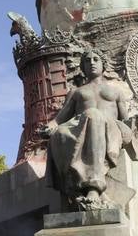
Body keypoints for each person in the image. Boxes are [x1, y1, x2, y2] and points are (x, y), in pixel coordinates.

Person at [42, 49, 132, 210]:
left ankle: (94, 187)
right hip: (82, 126)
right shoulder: (76, 92)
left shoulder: (116, 92)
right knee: (60, 133)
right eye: (87, 60)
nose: (92, 62)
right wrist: (49, 127)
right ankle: (74, 187)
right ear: (82, 67)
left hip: (110, 127)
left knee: (93, 115)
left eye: (96, 59)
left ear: (103, 64)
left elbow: (125, 119)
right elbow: (59, 119)